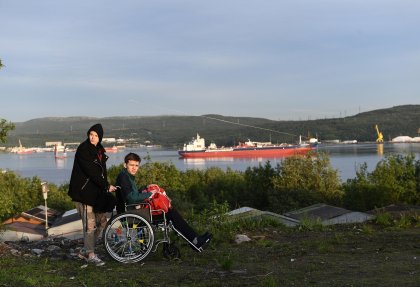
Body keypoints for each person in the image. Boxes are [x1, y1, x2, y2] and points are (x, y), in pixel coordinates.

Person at [115, 152, 212, 251]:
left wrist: (145, 188)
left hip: (133, 211)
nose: (134, 168)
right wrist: (150, 194)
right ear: (125, 165)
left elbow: (132, 193)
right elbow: (132, 197)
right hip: (132, 214)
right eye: (131, 165)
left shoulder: (126, 176)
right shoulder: (124, 177)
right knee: (170, 213)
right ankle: (195, 240)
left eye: (136, 165)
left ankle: (195, 239)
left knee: (170, 212)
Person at [68, 123, 117, 266]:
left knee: (102, 223)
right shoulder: (83, 149)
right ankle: (90, 254)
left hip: (96, 193)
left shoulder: (99, 150)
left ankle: (86, 249)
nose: (92, 137)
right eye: (91, 134)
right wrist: (106, 186)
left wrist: (105, 187)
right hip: (84, 194)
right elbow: (92, 172)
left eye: (96, 135)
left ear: (100, 137)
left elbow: (102, 174)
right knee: (90, 225)